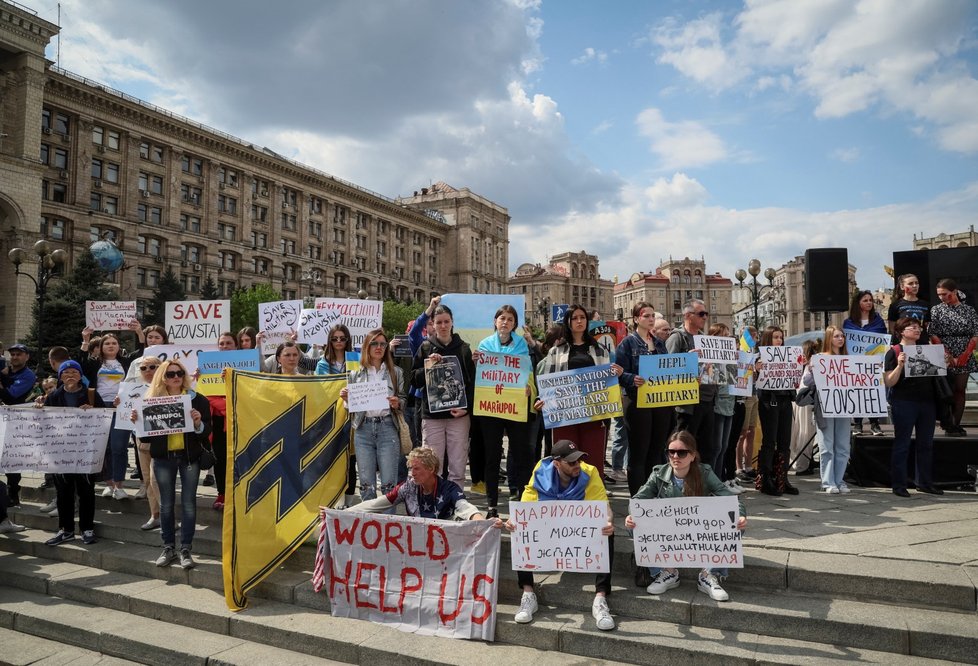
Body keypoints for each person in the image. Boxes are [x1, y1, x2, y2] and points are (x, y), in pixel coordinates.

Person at [506, 439, 616, 631]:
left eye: (579, 460)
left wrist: (608, 521)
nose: (577, 465)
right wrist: (514, 521)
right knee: (520, 530)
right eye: (572, 462)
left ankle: (600, 597)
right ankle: (528, 593)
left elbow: (603, 506)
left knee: (608, 533)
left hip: (577, 528)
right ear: (556, 463)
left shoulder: (589, 472)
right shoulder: (541, 471)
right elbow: (526, 503)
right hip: (550, 527)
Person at [626, 430, 746, 602]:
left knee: (735, 527)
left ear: (692, 455)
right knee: (634, 526)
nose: (675, 456)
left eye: (681, 452)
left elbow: (730, 499)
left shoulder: (704, 473)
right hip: (669, 532)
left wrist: (740, 516)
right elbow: (638, 500)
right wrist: (632, 515)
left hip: (699, 531)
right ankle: (666, 572)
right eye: (671, 452)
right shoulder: (659, 473)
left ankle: (708, 574)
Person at [135, 359, 211, 569]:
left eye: (179, 373)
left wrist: (198, 423)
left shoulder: (198, 400)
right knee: (166, 505)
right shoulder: (152, 401)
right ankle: (168, 547)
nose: (175, 377)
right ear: (163, 377)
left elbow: (207, 431)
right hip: (163, 459)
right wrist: (137, 423)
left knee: (188, 505)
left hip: (189, 458)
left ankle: (185, 548)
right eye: (170, 374)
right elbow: (147, 439)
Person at [536, 304, 623, 481]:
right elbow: (547, 381)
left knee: (593, 458)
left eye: (582, 317)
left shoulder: (600, 350)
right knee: (565, 459)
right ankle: (565, 499)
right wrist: (540, 400)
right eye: (574, 318)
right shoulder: (556, 351)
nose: (579, 321)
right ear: (568, 322)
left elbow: (606, 383)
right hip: (564, 415)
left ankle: (594, 500)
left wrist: (616, 377)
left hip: (594, 414)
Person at [38, 360, 106, 546]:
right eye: (66, 372)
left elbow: (104, 419)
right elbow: (45, 423)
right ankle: (65, 529)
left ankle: (87, 529)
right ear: (60, 376)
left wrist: (94, 411)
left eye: (74, 372)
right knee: (63, 492)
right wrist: (39, 410)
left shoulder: (91, 394)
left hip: (85, 452)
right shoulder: (53, 397)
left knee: (86, 491)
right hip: (61, 452)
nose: (70, 375)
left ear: (80, 376)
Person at [477, 305, 534, 517]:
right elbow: (481, 375)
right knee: (492, 456)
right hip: (491, 408)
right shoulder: (484, 345)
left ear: (514, 324)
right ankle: (491, 504)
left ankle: (522, 501)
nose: (505, 322)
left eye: (510, 319)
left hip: (515, 405)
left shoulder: (522, 345)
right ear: (495, 321)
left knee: (520, 454)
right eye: (502, 318)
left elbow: (527, 371)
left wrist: (529, 386)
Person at [412, 304, 475, 492]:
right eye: (439, 322)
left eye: (446, 321)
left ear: (452, 323)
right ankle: (432, 501)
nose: (443, 325)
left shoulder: (464, 349)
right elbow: (414, 380)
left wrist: (467, 408)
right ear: (433, 324)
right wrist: (429, 366)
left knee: (457, 465)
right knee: (431, 465)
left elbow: (471, 383)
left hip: (458, 416)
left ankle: (456, 502)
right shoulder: (425, 347)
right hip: (432, 417)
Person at [80, 323, 146, 499]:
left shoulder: (125, 362)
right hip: (100, 408)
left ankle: (119, 485)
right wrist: (86, 340)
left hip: (120, 408)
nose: (110, 345)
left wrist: (139, 332)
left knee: (119, 447)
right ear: (101, 347)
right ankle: (109, 483)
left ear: (118, 347)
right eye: (106, 343)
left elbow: (141, 353)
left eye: (114, 343)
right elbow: (81, 364)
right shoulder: (95, 364)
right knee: (104, 447)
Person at [340, 328, 405, 502]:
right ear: (366, 347)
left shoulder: (396, 372)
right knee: (367, 483)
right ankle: (369, 526)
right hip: (363, 429)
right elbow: (351, 408)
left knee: (389, 484)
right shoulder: (355, 374)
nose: (379, 347)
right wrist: (346, 399)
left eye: (383, 344)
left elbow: (404, 400)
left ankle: (386, 525)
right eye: (374, 343)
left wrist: (397, 403)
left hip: (387, 426)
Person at [616, 302, 674, 496]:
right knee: (639, 452)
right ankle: (638, 497)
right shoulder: (627, 343)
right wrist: (633, 379)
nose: (650, 319)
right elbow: (617, 372)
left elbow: (667, 369)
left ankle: (654, 493)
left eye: (652, 316)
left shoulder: (658, 343)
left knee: (656, 450)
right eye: (646, 316)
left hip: (659, 402)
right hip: (636, 402)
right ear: (636, 319)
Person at [348, 447, 496, 521]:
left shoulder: (449, 488)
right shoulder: (407, 487)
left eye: (417, 468)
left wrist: (483, 523)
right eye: (410, 468)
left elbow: (467, 509)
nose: (412, 473)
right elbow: (376, 504)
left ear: (431, 469)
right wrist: (341, 514)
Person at [885, 318, 944, 497]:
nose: (918, 330)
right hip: (904, 402)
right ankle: (899, 485)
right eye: (913, 327)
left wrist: (943, 364)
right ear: (902, 331)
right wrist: (900, 365)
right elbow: (889, 381)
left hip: (926, 402)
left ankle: (925, 482)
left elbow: (934, 374)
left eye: (919, 327)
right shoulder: (894, 352)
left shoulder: (927, 350)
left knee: (926, 444)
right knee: (902, 443)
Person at [801, 328, 853, 494]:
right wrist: (810, 368)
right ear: (829, 338)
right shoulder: (820, 358)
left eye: (842, 336)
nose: (840, 339)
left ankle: (839, 480)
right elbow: (807, 382)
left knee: (843, 446)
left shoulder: (848, 359)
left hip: (844, 407)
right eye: (836, 336)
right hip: (824, 406)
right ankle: (828, 481)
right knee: (827, 446)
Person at [666, 300, 718, 463]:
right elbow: (667, 368)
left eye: (706, 313)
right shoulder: (677, 337)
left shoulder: (704, 339)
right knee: (685, 446)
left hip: (707, 399)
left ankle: (701, 484)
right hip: (687, 404)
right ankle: (682, 484)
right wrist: (687, 357)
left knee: (707, 447)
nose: (705, 317)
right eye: (701, 314)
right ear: (688, 316)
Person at [930, 278, 978, 435]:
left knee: (960, 390)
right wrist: (947, 354)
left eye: (945, 294)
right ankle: (947, 423)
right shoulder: (936, 310)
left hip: (965, 351)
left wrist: (965, 355)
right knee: (946, 390)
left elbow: (975, 333)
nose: (942, 297)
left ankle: (956, 423)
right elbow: (933, 333)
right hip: (943, 352)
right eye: (939, 295)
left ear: (955, 292)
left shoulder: (969, 310)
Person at [754, 326, 798, 496]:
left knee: (784, 441)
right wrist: (757, 369)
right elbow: (752, 379)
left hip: (786, 400)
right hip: (768, 401)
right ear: (767, 340)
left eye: (780, 337)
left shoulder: (788, 356)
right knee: (769, 441)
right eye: (775, 337)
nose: (779, 340)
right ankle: (765, 479)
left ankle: (782, 478)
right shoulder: (760, 358)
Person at [316, 324, 357, 506]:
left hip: (353, 417)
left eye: (342, 338)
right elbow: (321, 388)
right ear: (329, 341)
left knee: (350, 460)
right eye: (335, 338)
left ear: (348, 340)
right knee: (331, 460)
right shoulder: (323, 363)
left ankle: (348, 502)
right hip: (331, 418)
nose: (339, 342)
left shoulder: (356, 360)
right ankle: (331, 501)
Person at [843, 290, 886, 437]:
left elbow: (883, 342)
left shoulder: (878, 321)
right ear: (858, 303)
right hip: (855, 364)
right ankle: (858, 423)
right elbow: (846, 344)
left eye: (870, 300)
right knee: (857, 393)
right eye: (865, 300)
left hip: (873, 364)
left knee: (873, 392)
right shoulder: (848, 323)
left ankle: (875, 424)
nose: (869, 303)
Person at [204, 333, 237, 509]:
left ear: (236, 346)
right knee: (220, 459)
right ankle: (222, 494)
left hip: (239, 419)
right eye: (221, 343)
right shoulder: (208, 366)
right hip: (217, 422)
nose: (225, 346)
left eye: (229, 343)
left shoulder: (245, 364)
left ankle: (236, 494)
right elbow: (206, 395)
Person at [1, 343, 36, 507]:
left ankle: (13, 494)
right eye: (12, 354)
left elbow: (11, 397)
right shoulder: (6, 372)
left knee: (12, 458)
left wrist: (2, 380)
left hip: (17, 422)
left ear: (27, 357)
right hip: (3, 420)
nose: (15, 357)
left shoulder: (28, 375)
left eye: (19, 354)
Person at [130, 356, 162, 529]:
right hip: (141, 438)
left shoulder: (168, 387)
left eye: (152, 367)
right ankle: (155, 515)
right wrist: (121, 406)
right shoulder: (133, 390)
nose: (148, 371)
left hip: (162, 441)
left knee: (158, 480)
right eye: (143, 368)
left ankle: (168, 516)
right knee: (148, 480)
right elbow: (126, 414)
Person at [789, 339, 820, 476]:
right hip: (806, 401)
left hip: (800, 400)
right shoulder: (812, 364)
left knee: (800, 432)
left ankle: (802, 461)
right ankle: (802, 464)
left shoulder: (804, 364)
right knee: (805, 433)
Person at [735, 326, 760, 485]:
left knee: (751, 431)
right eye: (751, 335)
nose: (755, 338)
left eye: (756, 335)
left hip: (754, 394)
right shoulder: (740, 352)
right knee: (742, 433)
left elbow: (756, 376)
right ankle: (738, 468)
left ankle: (749, 466)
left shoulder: (754, 352)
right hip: (744, 395)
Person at [888, 273, 930, 339]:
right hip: (904, 344)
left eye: (917, 283)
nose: (914, 286)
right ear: (902, 287)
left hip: (922, 343)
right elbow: (892, 329)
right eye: (910, 283)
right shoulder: (895, 305)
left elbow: (928, 327)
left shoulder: (926, 305)